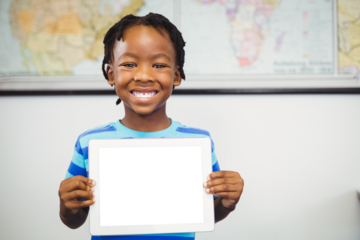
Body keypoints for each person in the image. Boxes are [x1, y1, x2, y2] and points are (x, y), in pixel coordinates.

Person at [58, 13, 244, 240]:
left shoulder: (198, 142)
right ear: (111, 74)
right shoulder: (89, 142)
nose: (144, 75)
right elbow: (76, 218)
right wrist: (67, 207)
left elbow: (205, 212)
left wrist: (227, 203)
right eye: (129, 64)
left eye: (158, 65)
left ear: (176, 76)